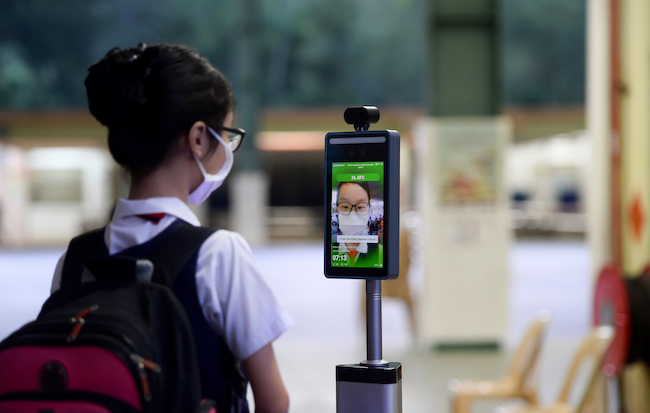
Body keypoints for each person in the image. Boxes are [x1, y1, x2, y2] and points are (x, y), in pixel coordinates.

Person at [49, 43, 292, 413]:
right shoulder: (218, 255)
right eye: (226, 135)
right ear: (197, 137)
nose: (227, 147)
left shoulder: (74, 261)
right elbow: (273, 402)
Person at [333, 181, 382, 267]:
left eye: (360, 207)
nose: (352, 214)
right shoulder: (328, 251)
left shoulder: (380, 252)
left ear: (368, 209)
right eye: (345, 206)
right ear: (337, 210)